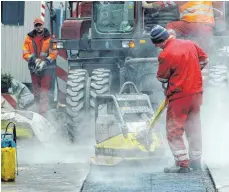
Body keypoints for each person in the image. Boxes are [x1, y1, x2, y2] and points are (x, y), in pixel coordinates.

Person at [150, 25, 209, 173]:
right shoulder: (190, 44)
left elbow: (162, 77)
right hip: (196, 94)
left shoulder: (165, 54)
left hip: (179, 96)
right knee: (193, 127)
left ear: (159, 42)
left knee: (174, 130)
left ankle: (182, 164)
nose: (158, 48)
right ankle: (196, 161)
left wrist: (178, 76)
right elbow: (204, 59)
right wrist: (192, 70)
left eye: (157, 45)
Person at [143, 1, 215, 52]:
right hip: (208, 27)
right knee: (203, 52)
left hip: (193, 24)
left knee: (170, 26)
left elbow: (166, 2)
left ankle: (169, 48)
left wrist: (147, 5)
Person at [22, 18, 57, 117]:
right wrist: (34, 60)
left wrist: (45, 62)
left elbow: (54, 53)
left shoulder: (51, 37)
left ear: (43, 25)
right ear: (34, 26)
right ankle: (36, 112)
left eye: (40, 25)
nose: (38, 27)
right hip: (34, 68)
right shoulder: (28, 38)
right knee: (36, 92)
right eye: (36, 25)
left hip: (47, 69)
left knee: (44, 92)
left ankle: (43, 114)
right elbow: (25, 53)